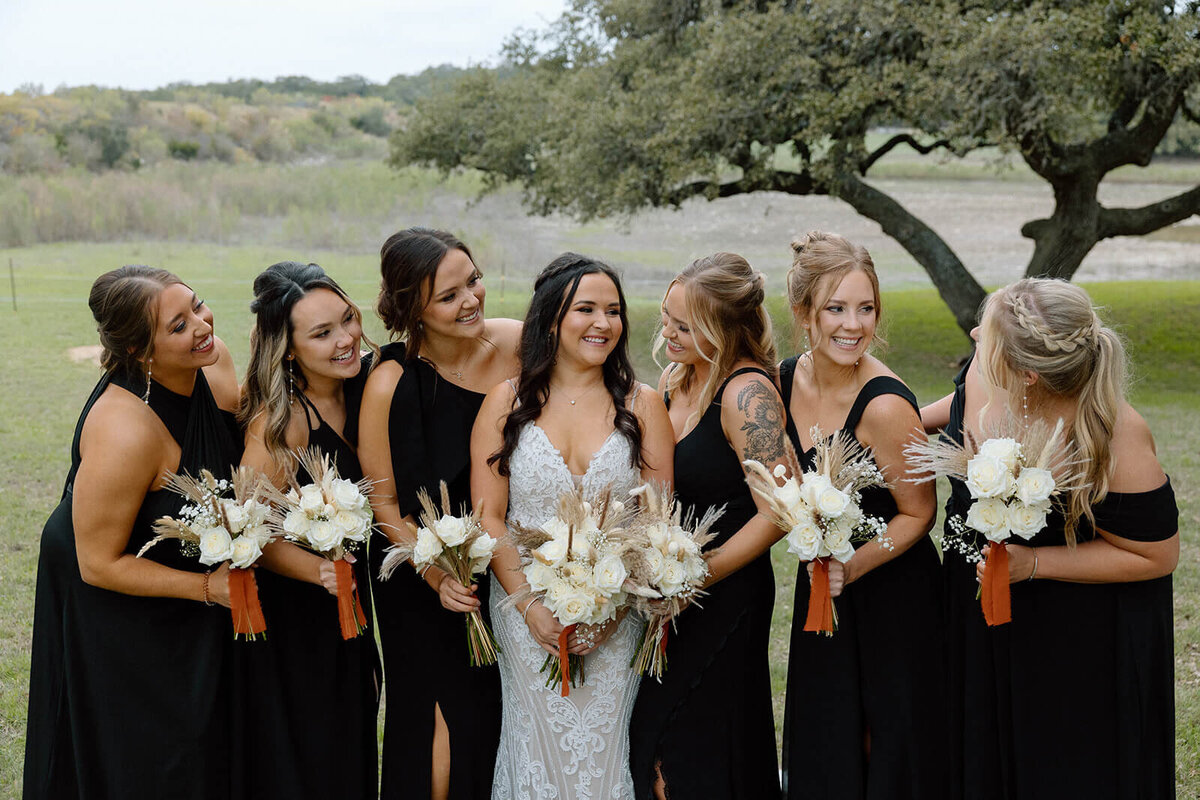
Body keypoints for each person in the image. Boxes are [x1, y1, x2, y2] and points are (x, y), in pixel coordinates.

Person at [921, 278, 1178, 800]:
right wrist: (884, 422)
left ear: (1029, 375)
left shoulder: (1111, 433)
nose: (973, 334)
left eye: (985, 336)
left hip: (1074, 639)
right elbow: (958, 405)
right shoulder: (988, 370)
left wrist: (1033, 565)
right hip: (977, 611)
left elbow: (1157, 554)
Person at [23, 266, 242, 799]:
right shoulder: (126, 428)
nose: (202, 324)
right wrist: (206, 588)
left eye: (198, 304)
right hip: (112, 592)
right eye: (177, 325)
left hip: (176, 567)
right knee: (146, 748)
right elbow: (96, 562)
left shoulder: (211, 364)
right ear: (141, 352)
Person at [471, 252, 675, 800]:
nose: (603, 323)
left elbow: (656, 520)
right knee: (533, 745)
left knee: (603, 755)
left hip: (618, 613)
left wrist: (612, 609)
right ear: (552, 319)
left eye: (613, 311)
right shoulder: (505, 403)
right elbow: (490, 516)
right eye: (586, 308)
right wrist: (532, 609)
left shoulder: (644, 404)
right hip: (522, 606)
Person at [777, 232, 944, 800]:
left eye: (866, 308)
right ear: (804, 314)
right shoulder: (781, 382)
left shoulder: (886, 406)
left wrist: (853, 564)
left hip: (893, 591)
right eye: (836, 308)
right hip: (823, 586)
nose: (854, 325)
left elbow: (919, 513)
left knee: (884, 741)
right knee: (828, 733)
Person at [358, 228, 519, 800]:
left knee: (492, 711)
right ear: (412, 309)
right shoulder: (389, 381)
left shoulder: (514, 345)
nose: (471, 299)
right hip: (418, 571)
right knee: (439, 719)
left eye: (472, 281)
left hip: (499, 562)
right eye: (448, 296)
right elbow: (383, 502)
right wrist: (435, 573)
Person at [629, 253, 789, 800]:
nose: (669, 334)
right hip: (670, 594)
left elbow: (779, 510)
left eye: (685, 325)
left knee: (694, 748)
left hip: (725, 596)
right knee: (654, 746)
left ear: (724, 328)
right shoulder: (679, 378)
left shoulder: (747, 394)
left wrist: (698, 577)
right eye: (667, 318)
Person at [237, 261, 380, 798]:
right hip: (300, 617)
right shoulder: (282, 420)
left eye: (347, 319)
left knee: (352, 738)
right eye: (322, 333)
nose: (346, 339)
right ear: (288, 349)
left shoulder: (369, 380)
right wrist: (320, 570)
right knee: (312, 752)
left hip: (352, 604)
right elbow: (251, 530)